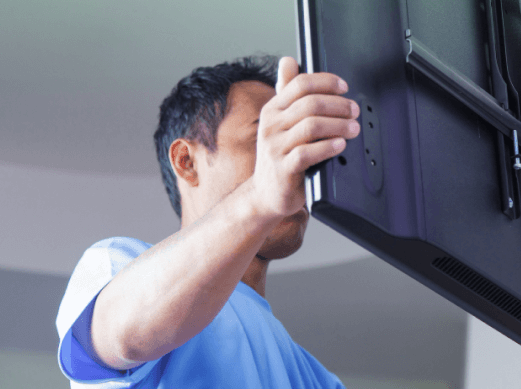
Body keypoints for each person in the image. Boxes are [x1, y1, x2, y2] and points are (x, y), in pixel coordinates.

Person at [55, 55, 360, 388]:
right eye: (264, 141)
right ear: (186, 162)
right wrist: (260, 196)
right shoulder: (115, 267)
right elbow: (123, 335)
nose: (293, 163)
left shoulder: (315, 378)